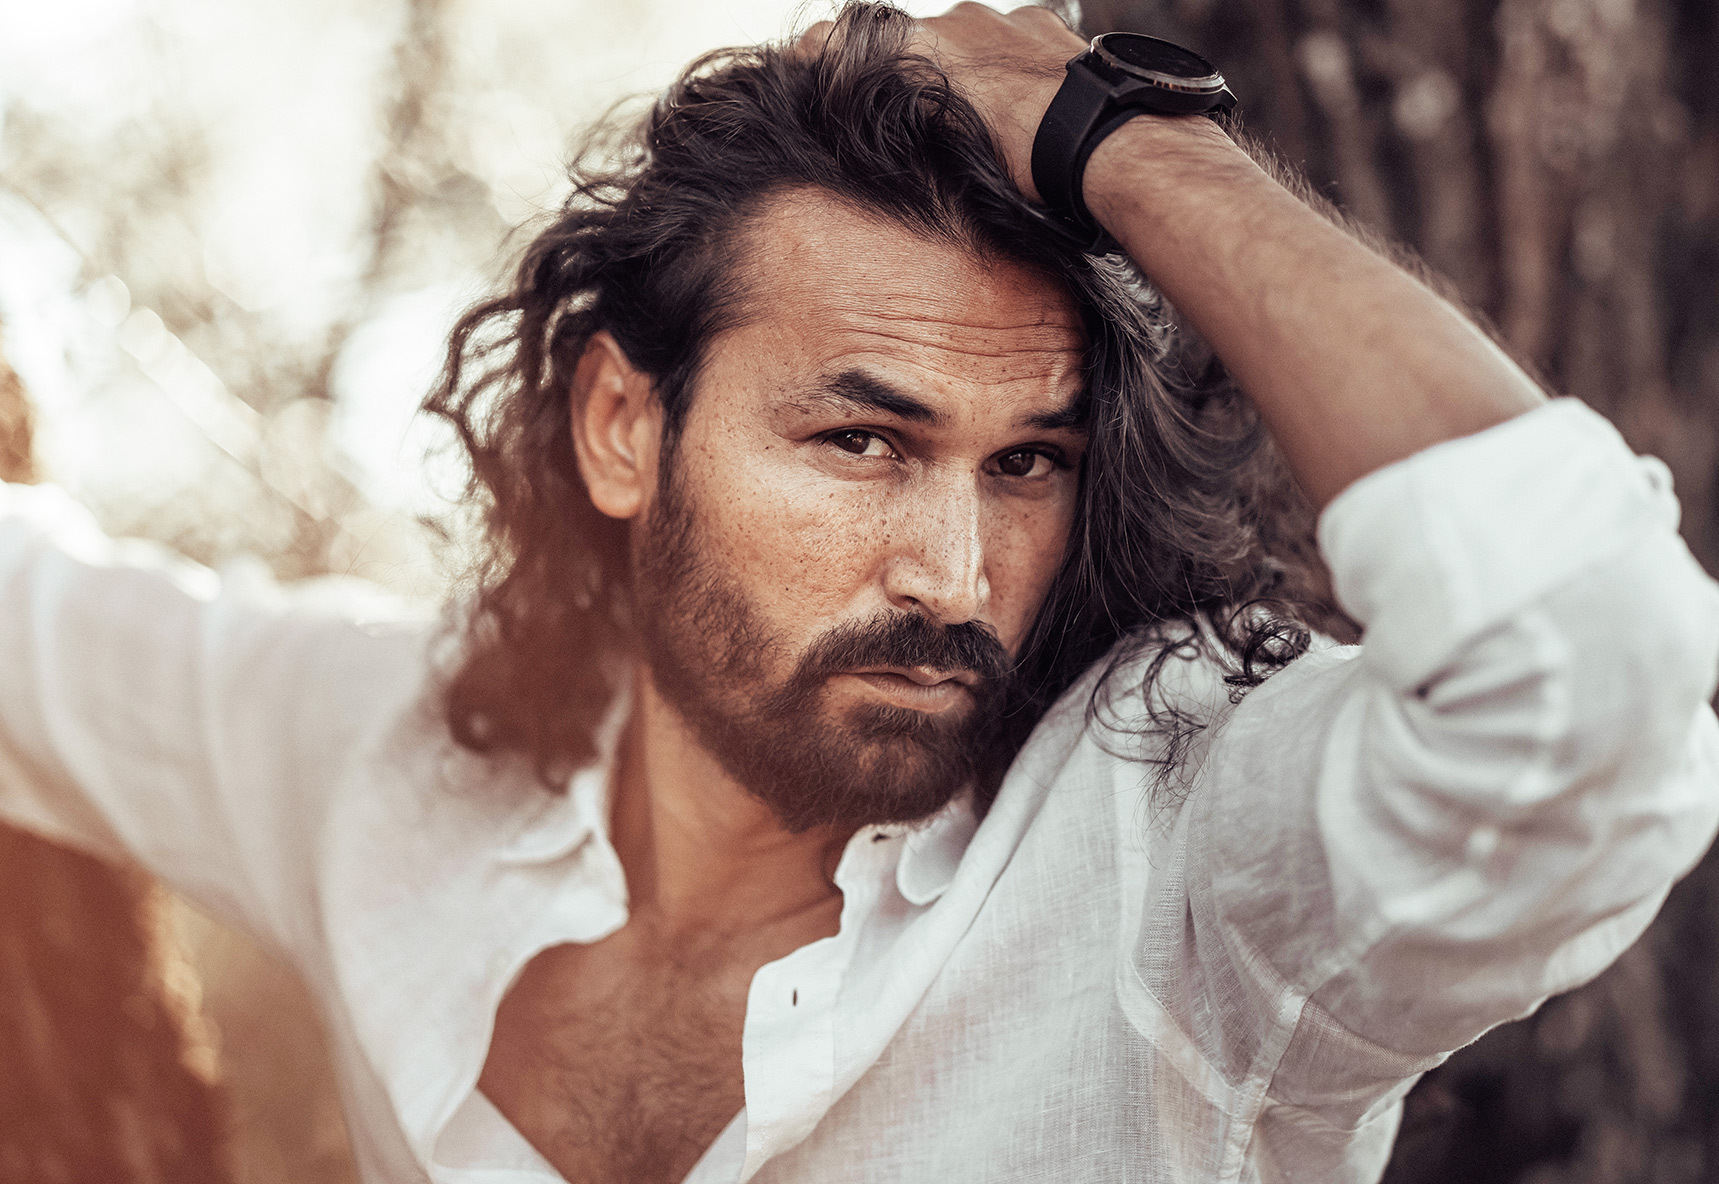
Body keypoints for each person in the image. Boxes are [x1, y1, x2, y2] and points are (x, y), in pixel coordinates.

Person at [2, 3, 1716, 1182]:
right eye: (863, 441)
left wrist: (1120, 139)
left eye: (1026, 463)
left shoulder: (1178, 854)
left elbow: (1590, 676)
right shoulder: (386, 757)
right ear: (623, 427)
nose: (955, 575)